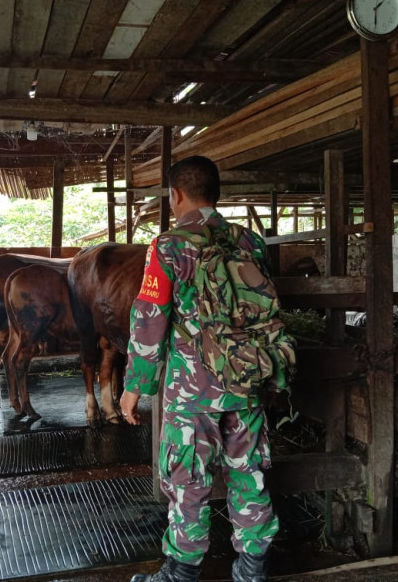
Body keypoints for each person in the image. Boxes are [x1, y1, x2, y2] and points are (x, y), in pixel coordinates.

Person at [120, 156, 294, 582]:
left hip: (191, 392)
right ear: (216, 193)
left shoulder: (169, 246)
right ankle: (252, 570)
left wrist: (134, 386)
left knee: (187, 481)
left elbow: (149, 319)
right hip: (248, 380)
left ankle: (181, 573)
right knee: (248, 475)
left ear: (175, 195)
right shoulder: (250, 242)